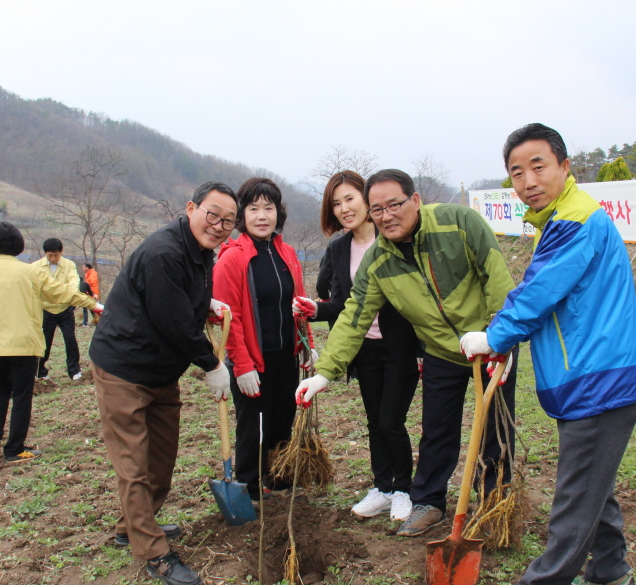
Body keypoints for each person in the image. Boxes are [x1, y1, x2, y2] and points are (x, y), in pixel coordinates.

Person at [460, 123, 636, 585]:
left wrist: (495, 336)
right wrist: (505, 338)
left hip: (599, 375)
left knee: (577, 492)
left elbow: (539, 291)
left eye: (538, 166)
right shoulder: (562, 219)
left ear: (565, 167)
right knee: (592, 479)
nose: (527, 181)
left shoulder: (573, 221)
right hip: (593, 373)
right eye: (516, 173)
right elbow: (544, 293)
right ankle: (609, 571)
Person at [295, 169, 517, 537]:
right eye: (378, 209)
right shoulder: (378, 260)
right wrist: (325, 373)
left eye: (394, 205)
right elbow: (354, 315)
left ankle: (494, 503)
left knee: (496, 428)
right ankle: (428, 502)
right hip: (441, 350)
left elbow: (497, 279)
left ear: (415, 200)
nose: (386, 216)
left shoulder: (459, 223)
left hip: (490, 342)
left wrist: (500, 338)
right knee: (437, 429)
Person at [89, 181, 235, 585]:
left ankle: (132, 526)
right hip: (124, 368)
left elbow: (179, 300)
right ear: (191, 208)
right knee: (133, 464)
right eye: (212, 214)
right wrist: (212, 365)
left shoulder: (201, 251)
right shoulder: (163, 253)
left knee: (162, 457)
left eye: (228, 221)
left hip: (161, 371)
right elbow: (174, 322)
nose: (219, 225)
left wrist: (205, 304)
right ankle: (153, 552)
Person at [292, 171, 419, 521]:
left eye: (350, 199)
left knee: (392, 421)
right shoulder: (338, 248)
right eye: (336, 203)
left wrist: (423, 348)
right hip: (364, 348)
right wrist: (315, 309)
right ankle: (382, 487)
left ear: (366, 199)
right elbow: (343, 304)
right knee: (375, 421)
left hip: (400, 346)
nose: (344, 209)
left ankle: (403, 490)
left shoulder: (393, 235)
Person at [0, 222, 101, 463]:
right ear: (18, 245)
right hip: (24, 343)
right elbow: (62, 293)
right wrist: (94, 304)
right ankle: (15, 448)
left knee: (0, 387)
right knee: (22, 394)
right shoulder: (30, 272)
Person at [214, 178, 315, 500]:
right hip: (252, 362)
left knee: (282, 423)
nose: (262, 216)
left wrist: (307, 345)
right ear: (241, 215)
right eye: (253, 208)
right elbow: (229, 319)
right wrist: (242, 366)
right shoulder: (232, 259)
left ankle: (278, 478)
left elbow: (299, 303)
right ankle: (250, 487)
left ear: (278, 213)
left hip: (286, 356)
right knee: (254, 428)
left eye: (268, 208)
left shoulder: (287, 253)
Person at [31, 239, 84, 381]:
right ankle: (40, 372)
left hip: (65, 309)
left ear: (61, 252)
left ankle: (74, 371)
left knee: (70, 339)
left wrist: (70, 296)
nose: (53, 258)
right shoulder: (35, 267)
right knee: (44, 341)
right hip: (46, 309)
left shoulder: (69, 265)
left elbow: (74, 283)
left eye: (56, 255)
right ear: (45, 254)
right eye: (50, 255)